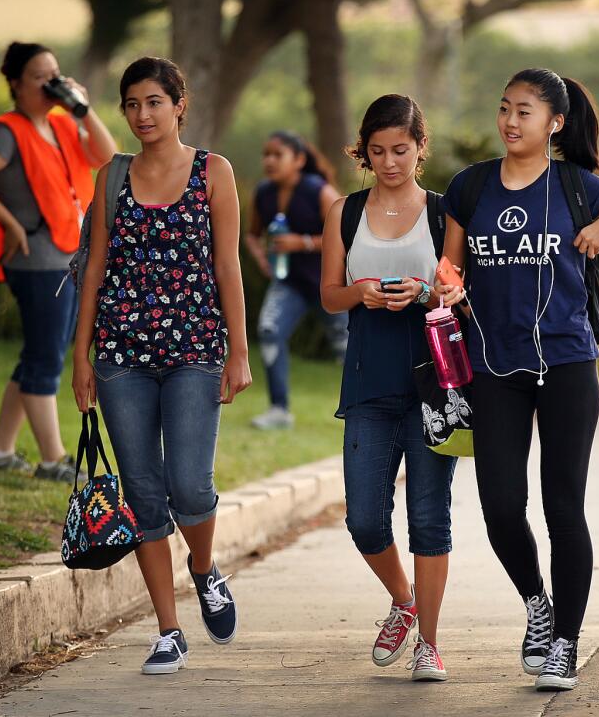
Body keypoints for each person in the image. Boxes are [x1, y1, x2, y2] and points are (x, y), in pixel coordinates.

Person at [442, 68, 599, 692]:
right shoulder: (469, 188)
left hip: (568, 364)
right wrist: (445, 279)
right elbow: (450, 261)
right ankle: (537, 606)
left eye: (524, 111)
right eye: (504, 108)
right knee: (499, 507)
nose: (510, 121)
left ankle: (566, 645)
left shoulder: (579, 186)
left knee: (562, 506)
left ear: (554, 124)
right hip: (494, 368)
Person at [71, 57, 252, 675]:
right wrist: (81, 357)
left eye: (154, 102)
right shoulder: (111, 176)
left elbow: (228, 267)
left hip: (195, 350)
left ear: (179, 104)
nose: (142, 115)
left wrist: (239, 351)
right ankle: (169, 631)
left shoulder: (213, 172)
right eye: (131, 104)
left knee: (189, 485)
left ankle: (203, 567)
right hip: (121, 353)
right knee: (145, 494)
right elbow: (94, 269)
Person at [319, 94, 463, 683]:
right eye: (377, 151)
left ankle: (428, 641)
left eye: (400, 150)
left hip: (434, 383)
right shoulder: (344, 212)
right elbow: (330, 293)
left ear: (419, 148)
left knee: (430, 519)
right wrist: (364, 292)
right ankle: (403, 600)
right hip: (369, 382)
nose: (389, 162)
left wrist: (426, 294)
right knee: (365, 521)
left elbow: (455, 290)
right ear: (364, 152)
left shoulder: (444, 212)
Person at [0, 42, 117, 481]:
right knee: (46, 358)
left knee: (38, 355)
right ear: (14, 83)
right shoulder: (8, 131)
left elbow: (106, 156)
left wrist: (83, 109)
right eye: (39, 77)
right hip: (37, 259)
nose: (51, 84)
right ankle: (52, 461)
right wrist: (8, 223)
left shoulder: (63, 125)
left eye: (56, 74)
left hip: (68, 254)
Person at [244, 131, 347, 430]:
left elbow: (344, 235)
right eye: (266, 154)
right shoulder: (263, 192)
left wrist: (300, 243)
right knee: (269, 330)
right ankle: (279, 411)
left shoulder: (319, 191)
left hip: (329, 283)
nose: (269, 161)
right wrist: (261, 257)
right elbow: (252, 235)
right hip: (289, 283)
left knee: (349, 347)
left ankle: (366, 410)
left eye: (278, 155)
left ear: (299, 160)